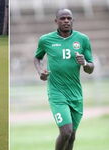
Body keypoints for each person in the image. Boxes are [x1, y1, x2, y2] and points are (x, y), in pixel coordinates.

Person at [34, 9, 94, 150]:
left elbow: (91, 68)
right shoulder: (46, 40)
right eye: (62, 18)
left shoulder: (83, 39)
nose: (66, 21)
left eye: (69, 18)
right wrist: (40, 72)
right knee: (66, 131)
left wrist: (84, 63)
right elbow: (37, 57)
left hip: (75, 94)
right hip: (57, 92)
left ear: (72, 20)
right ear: (56, 21)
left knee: (72, 135)